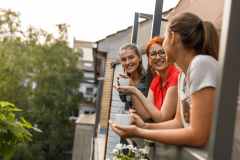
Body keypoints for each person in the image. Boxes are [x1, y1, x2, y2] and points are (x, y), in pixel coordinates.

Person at [110, 12, 219, 147]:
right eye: (153, 54)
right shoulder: (182, 76)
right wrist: (144, 126)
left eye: (164, 41)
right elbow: (178, 123)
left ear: (172, 38)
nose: (158, 56)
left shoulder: (201, 64)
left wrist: (139, 132)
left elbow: (198, 136)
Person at [115, 36, 180, 123]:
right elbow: (146, 114)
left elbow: (162, 119)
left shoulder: (176, 77)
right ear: (148, 59)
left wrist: (134, 90)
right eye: (153, 54)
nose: (157, 57)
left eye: (162, 52)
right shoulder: (156, 80)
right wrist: (132, 92)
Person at [117, 43, 147, 111]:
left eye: (131, 57)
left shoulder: (150, 77)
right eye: (123, 60)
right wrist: (131, 110)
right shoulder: (122, 79)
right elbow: (126, 101)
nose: (127, 62)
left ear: (139, 57)